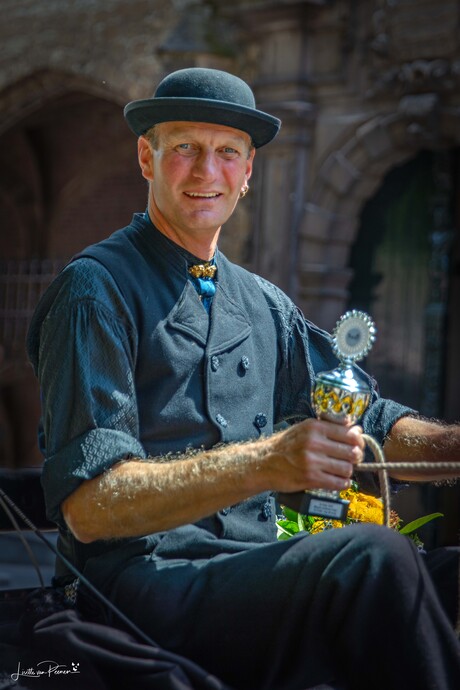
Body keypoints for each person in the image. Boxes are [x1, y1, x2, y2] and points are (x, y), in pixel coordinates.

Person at [27, 67, 460, 690]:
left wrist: (451, 447)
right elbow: (93, 507)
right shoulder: (94, 290)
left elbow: (371, 418)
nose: (207, 172)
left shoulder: (264, 303)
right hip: (141, 585)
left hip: (248, 568)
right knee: (373, 559)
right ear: (147, 158)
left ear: (248, 172)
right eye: (185, 150)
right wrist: (270, 462)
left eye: (227, 153)